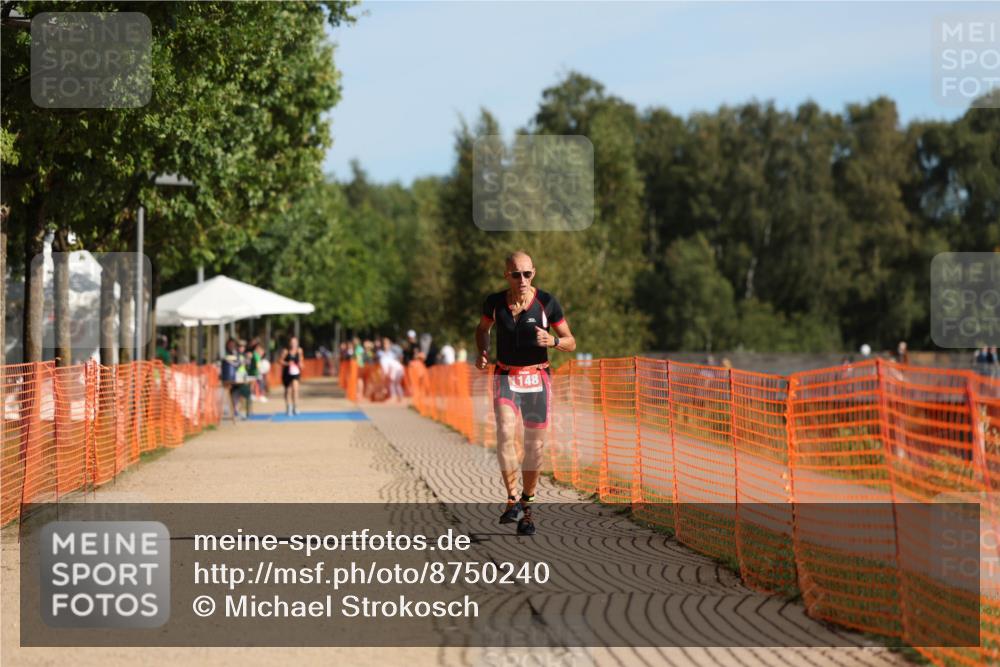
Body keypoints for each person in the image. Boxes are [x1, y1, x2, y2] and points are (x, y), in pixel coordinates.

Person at [474, 251, 576, 536]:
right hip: (506, 375)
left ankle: (527, 508)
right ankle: (511, 500)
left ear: (534, 273)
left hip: (537, 378)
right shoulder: (495, 303)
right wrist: (482, 351)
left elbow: (571, 341)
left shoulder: (546, 302)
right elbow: (482, 329)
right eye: (516, 274)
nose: (522, 279)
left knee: (534, 447)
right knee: (505, 432)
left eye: (527, 274)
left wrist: (553, 341)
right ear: (506, 275)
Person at [279, 336, 303, 416]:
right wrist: (287, 363)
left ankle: (295, 407)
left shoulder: (299, 351)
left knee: (295, 389)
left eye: (295, 342)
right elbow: (280, 361)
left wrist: (301, 364)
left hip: (295, 372)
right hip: (287, 373)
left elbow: (301, 361)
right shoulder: (286, 351)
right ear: (289, 343)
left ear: (297, 343)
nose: (293, 344)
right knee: (288, 390)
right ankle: (288, 407)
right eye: (292, 342)